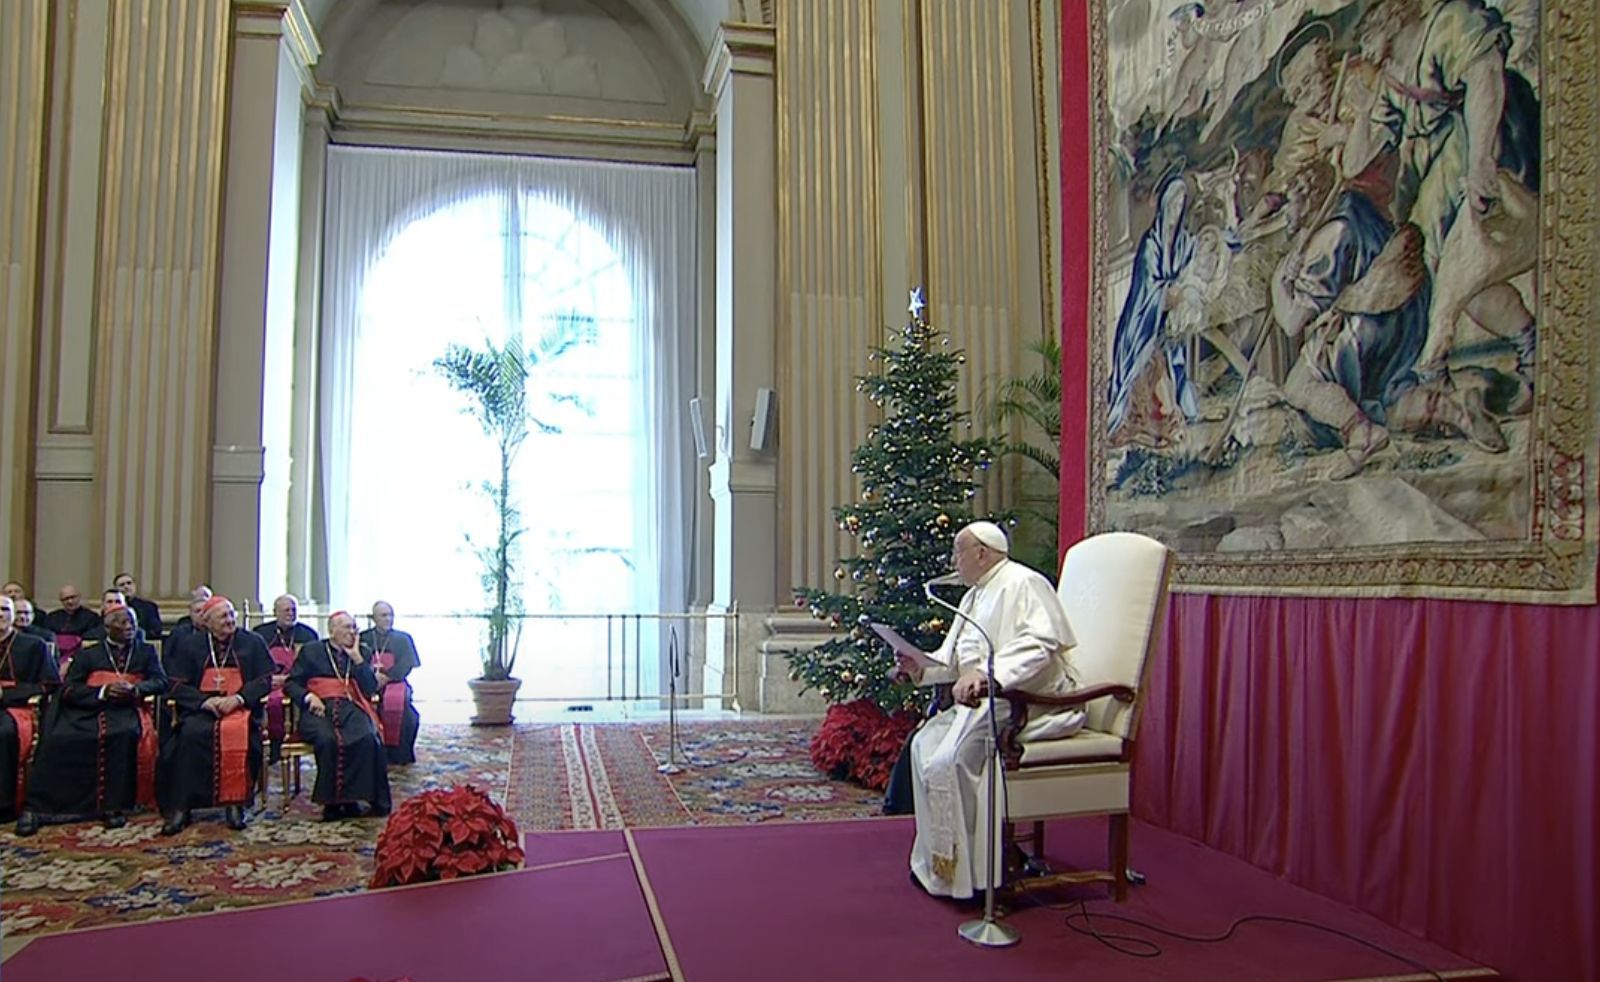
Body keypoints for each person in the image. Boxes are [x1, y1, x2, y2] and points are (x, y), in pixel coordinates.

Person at [895, 522, 1081, 902]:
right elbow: (954, 660)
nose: (953, 561)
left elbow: (1041, 643)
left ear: (982, 553)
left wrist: (987, 674)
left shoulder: (1023, 583)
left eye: (957, 552)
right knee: (924, 746)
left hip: (1026, 697)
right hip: (986, 700)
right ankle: (942, 864)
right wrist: (919, 668)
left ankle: (979, 879)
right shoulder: (973, 596)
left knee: (953, 756)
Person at [16, 602, 165, 835]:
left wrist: (135, 689)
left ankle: (113, 805)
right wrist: (103, 691)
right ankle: (41, 807)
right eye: (123, 623)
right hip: (88, 707)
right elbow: (68, 688)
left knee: (123, 734)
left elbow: (160, 681)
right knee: (60, 738)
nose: (130, 627)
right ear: (108, 628)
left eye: (133, 623)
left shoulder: (145, 651)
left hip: (126, 707)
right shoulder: (88, 654)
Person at [159, 596, 273, 835]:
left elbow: (264, 680)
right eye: (223, 616)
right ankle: (183, 806)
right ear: (207, 622)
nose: (230, 620)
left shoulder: (252, 642)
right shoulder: (190, 645)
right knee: (189, 737)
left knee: (239, 735)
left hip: (240, 708)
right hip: (203, 709)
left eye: (232, 614)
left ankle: (235, 803)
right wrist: (204, 701)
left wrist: (238, 698)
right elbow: (175, 684)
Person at [285, 611, 391, 821]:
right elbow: (291, 683)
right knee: (327, 739)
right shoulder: (312, 650)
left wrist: (357, 659)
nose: (351, 632)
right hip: (319, 707)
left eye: (354, 627)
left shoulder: (363, 652)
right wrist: (308, 697)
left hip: (351, 706)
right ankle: (332, 803)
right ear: (332, 630)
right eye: (346, 627)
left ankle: (353, 798)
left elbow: (369, 688)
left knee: (367, 737)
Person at [0, 596, 58, 823]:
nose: (0, 615)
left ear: (14, 615)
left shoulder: (33, 645)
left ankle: (4, 804)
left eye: (5, 609)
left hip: (16, 708)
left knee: (3, 734)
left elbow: (49, 684)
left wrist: (6, 695)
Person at [255, 594, 319, 761]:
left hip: (298, 683)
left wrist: (291, 678)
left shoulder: (308, 635)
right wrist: (270, 678)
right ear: (275, 612)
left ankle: (294, 739)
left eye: (293, 610)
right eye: (286, 610)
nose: (291, 614)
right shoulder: (261, 634)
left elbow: (312, 665)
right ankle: (272, 746)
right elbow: (256, 663)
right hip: (270, 684)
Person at [359, 601, 421, 766]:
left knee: (408, 716)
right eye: (383, 615)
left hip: (396, 682)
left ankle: (399, 755)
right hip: (368, 683)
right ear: (374, 618)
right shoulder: (363, 638)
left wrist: (387, 677)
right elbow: (358, 663)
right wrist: (372, 677)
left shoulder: (403, 638)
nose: (388, 619)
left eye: (390, 615)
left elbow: (407, 664)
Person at [163, 586, 213, 674]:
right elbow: (167, 658)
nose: (201, 615)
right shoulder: (179, 633)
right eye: (197, 611)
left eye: (205, 611)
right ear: (190, 614)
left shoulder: (216, 633)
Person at [112, 572, 164, 642]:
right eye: (122, 585)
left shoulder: (148, 607)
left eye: (129, 583)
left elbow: (156, 630)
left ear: (134, 586)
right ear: (116, 589)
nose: (126, 587)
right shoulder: (112, 607)